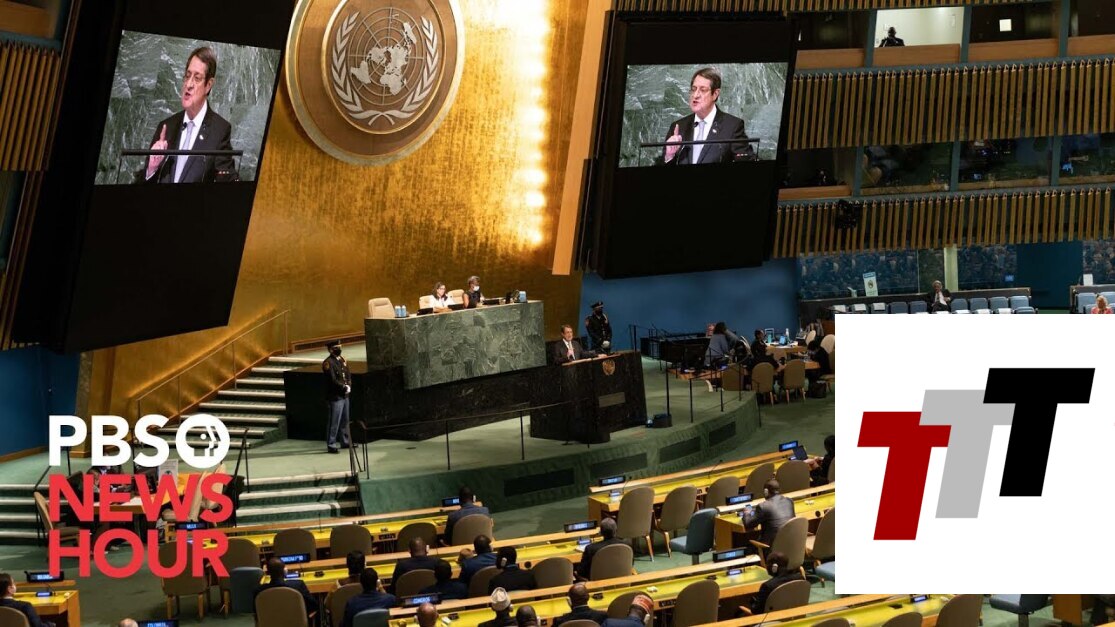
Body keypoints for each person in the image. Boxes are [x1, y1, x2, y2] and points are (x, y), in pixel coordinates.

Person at [142, 46, 236, 184]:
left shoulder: (220, 131)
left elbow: (227, 180)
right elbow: (143, 183)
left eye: (197, 78)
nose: (189, 84)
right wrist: (152, 168)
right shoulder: (166, 127)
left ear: (208, 85)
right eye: (187, 76)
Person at [659, 67, 754, 165]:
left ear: (715, 94)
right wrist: (669, 156)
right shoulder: (678, 127)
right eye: (693, 89)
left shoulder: (732, 126)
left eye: (703, 90)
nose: (695, 95)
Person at [743, 479, 796, 548]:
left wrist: (747, 512)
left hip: (770, 548)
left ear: (766, 491)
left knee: (747, 546)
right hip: (790, 545)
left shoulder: (763, 506)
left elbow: (748, 524)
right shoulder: (789, 501)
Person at [322, 339, 352, 454]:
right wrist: (343, 387)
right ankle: (331, 444)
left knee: (345, 420)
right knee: (334, 422)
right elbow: (332, 380)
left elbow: (347, 374)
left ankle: (345, 441)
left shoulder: (342, 360)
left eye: (340, 347)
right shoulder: (328, 363)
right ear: (331, 350)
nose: (339, 349)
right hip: (335, 396)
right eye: (336, 348)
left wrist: (349, 385)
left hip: (345, 395)